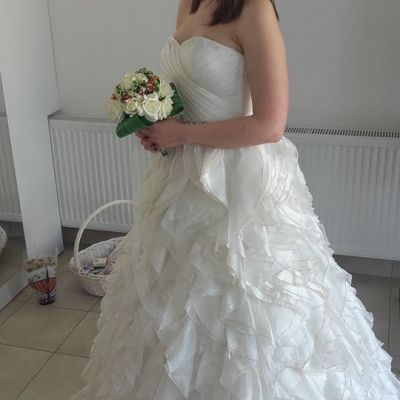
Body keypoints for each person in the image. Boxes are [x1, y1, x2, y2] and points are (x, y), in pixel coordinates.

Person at [71, 0, 400, 398]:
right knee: (171, 300)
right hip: (179, 177)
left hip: (236, 183)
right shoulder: (188, 4)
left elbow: (270, 124)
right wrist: (156, 123)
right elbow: (186, 92)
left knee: (245, 300)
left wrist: (181, 134)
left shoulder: (254, 9)